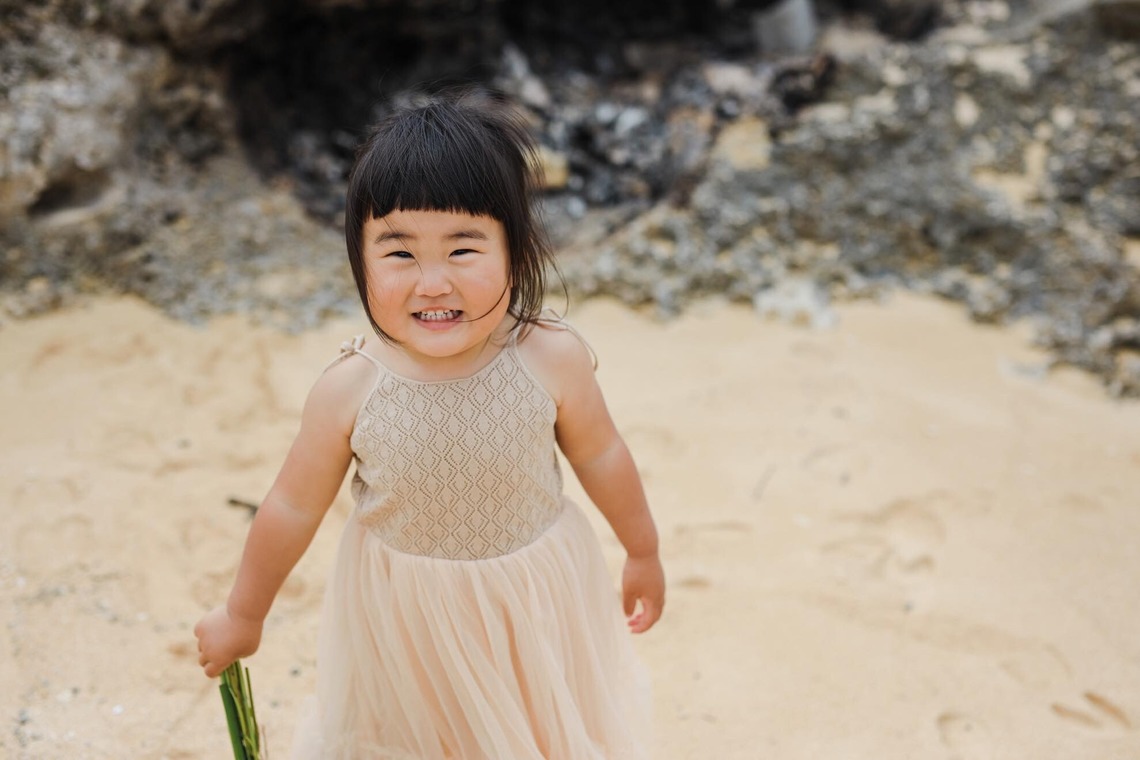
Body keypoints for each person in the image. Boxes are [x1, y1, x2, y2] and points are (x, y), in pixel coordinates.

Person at [194, 88, 664, 759]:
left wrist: (642, 549)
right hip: (406, 618)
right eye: (400, 253)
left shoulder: (548, 357)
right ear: (359, 260)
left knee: (534, 732)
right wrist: (244, 612)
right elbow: (292, 507)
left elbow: (603, 457)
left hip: (529, 603)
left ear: (515, 249)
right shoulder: (351, 390)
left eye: (463, 249)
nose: (433, 281)